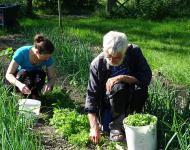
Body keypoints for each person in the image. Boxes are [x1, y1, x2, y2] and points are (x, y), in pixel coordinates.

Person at [85, 31, 152, 144]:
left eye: (117, 57)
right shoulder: (97, 64)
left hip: (133, 95)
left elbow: (146, 77)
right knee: (118, 87)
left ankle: (133, 119)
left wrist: (122, 77)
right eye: (109, 56)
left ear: (125, 50)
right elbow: (92, 96)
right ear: (103, 49)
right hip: (111, 102)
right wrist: (93, 127)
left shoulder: (134, 52)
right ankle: (117, 125)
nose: (112, 60)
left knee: (140, 88)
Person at [5, 33, 56, 99]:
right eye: (46, 56)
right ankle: (19, 95)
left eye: (49, 56)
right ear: (37, 52)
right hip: (21, 78)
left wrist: (49, 84)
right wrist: (19, 85)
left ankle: (35, 96)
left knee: (40, 74)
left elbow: (52, 78)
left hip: (35, 79)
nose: (48, 59)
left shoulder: (48, 58)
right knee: (24, 73)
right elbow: (8, 74)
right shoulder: (21, 53)